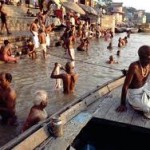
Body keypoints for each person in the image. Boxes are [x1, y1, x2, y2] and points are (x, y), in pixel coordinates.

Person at [116, 45, 150, 119]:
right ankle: (132, 103)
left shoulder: (149, 64)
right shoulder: (134, 66)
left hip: (145, 88)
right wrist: (122, 104)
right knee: (148, 108)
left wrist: (128, 73)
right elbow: (125, 86)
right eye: (148, 58)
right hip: (134, 94)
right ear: (141, 58)